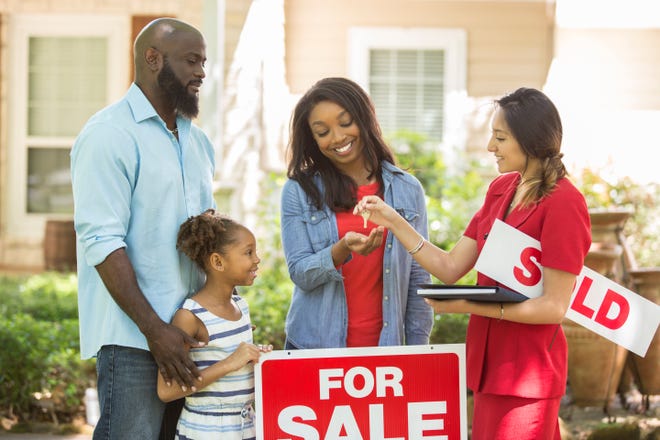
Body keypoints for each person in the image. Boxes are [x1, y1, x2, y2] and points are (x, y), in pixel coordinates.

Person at [355, 87, 591, 439]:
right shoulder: (500, 190)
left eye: (500, 138)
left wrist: (472, 305)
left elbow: (554, 307)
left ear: (531, 141)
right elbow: (450, 267)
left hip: (529, 374)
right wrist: (393, 221)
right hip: (488, 366)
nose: (490, 147)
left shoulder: (565, 203)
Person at [71, 18, 216, 439]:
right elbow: (101, 242)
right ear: (153, 59)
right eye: (192, 61)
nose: (202, 73)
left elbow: (208, 237)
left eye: (204, 62)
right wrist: (156, 331)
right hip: (135, 341)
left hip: (192, 337)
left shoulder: (197, 142)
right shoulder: (107, 135)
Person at [281, 77, 433, 349]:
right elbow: (300, 273)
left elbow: (418, 280)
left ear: (364, 118)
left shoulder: (407, 189)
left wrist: (418, 351)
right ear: (313, 139)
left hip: (384, 349)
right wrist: (341, 249)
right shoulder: (299, 191)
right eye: (322, 131)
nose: (338, 138)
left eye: (345, 122)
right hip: (314, 348)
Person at [157, 209, 273, 439]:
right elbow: (166, 391)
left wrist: (257, 358)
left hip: (246, 427)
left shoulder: (241, 306)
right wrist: (230, 362)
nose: (257, 259)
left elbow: (238, 364)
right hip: (205, 431)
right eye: (248, 252)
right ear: (218, 262)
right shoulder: (190, 316)